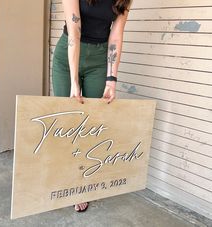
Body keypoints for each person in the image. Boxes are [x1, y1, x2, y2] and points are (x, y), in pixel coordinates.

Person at [52, 0, 132, 212]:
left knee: (89, 126)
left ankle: (80, 184)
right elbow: (75, 32)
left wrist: (111, 80)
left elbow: (115, 36)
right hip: (68, 56)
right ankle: (64, 179)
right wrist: (73, 81)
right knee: (67, 122)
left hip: (98, 59)